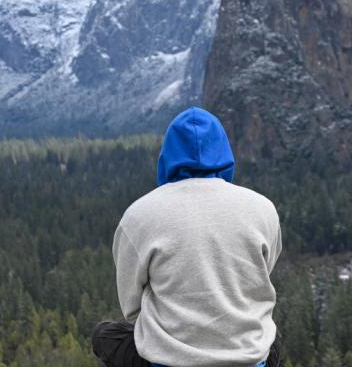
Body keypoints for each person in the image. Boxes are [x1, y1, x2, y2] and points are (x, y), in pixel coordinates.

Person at [92, 107, 282, 367]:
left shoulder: (138, 215)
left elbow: (132, 307)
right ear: (225, 154)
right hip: (246, 359)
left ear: (166, 157)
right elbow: (261, 276)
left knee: (105, 336)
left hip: (167, 361)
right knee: (271, 337)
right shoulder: (263, 208)